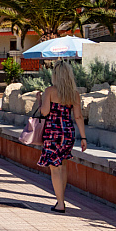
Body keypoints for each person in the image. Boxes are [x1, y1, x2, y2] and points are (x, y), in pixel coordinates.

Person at [38, 61, 87, 214]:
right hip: (68, 132)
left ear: (55, 75)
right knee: (63, 165)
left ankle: (60, 203)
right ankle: (61, 199)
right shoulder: (74, 94)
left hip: (53, 132)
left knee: (55, 168)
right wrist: (83, 138)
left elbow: (44, 112)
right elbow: (78, 117)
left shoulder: (50, 91)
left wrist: (39, 100)